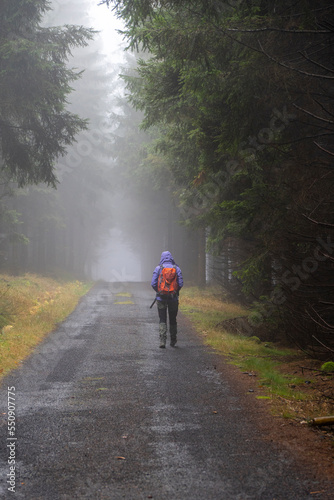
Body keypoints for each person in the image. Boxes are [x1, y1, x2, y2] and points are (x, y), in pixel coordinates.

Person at [151, 251, 183, 348]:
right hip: (173, 299)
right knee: (173, 319)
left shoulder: (158, 268)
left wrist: (159, 291)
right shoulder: (176, 268)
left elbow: (153, 283)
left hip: (161, 298)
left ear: (162, 258)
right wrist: (175, 292)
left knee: (162, 319)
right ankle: (173, 340)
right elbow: (180, 284)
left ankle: (162, 341)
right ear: (171, 258)